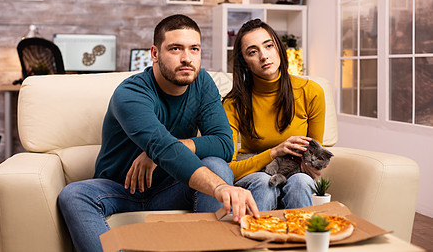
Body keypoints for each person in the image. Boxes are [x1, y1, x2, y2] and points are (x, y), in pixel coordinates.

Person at [58, 14, 259, 252]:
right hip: (122, 190)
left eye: (194, 49)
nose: (187, 58)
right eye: (175, 48)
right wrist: (219, 188)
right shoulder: (131, 93)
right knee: (74, 194)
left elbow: (225, 145)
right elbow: (162, 146)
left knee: (217, 166)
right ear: (154, 54)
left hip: (171, 187)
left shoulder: (203, 83)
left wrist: (164, 151)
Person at [222, 18, 326, 211]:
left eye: (268, 45)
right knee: (263, 182)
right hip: (255, 175)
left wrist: (312, 165)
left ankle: (303, 240)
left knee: (302, 182)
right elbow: (227, 169)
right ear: (244, 62)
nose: (264, 56)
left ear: (278, 47)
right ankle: (256, 239)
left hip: (296, 174)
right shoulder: (234, 102)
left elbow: (314, 164)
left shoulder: (311, 92)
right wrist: (274, 153)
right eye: (252, 52)